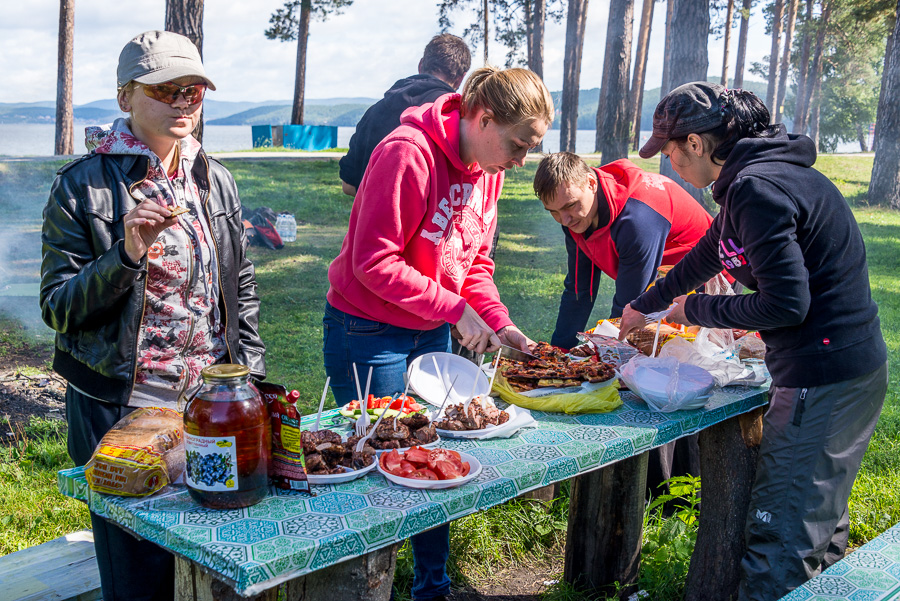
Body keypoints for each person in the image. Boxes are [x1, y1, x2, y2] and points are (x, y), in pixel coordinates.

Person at [618, 82, 887, 601]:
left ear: (696, 143)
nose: (669, 164)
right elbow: (709, 253)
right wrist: (646, 304)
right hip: (846, 370)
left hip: (822, 376)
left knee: (780, 538)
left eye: (670, 151)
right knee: (817, 526)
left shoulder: (756, 189)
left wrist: (692, 308)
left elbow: (787, 305)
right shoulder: (757, 179)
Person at [40, 31, 265, 601]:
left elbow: (237, 284)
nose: (184, 100)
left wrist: (250, 380)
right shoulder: (81, 185)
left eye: (193, 89)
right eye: (166, 89)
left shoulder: (212, 176)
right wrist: (126, 254)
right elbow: (59, 308)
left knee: (213, 552)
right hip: (127, 411)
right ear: (125, 98)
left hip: (211, 409)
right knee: (138, 574)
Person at [324, 66, 553, 601]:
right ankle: (364, 588)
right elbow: (371, 262)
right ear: (484, 117)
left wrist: (500, 321)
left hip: (429, 327)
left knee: (433, 455)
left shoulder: (489, 169)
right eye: (519, 145)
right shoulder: (407, 152)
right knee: (380, 462)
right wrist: (453, 310)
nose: (521, 162)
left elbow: (472, 262)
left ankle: (433, 587)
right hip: (368, 327)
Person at [533, 151, 714, 496]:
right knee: (625, 362)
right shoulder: (576, 212)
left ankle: (669, 488)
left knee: (658, 368)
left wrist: (605, 358)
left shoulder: (638, 216)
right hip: (651, 284)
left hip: (697, 278)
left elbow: (630, 308)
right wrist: (556, 353)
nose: (564, 218)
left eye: (569, 206)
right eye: (553, 212)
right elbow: (579, 291)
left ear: (589, 182)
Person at [339, 33, 471, 197]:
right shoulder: (456, 114)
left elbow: (348, 185)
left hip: (374, 218)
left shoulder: (374, 111)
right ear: (461, 79)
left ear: (420, 65)